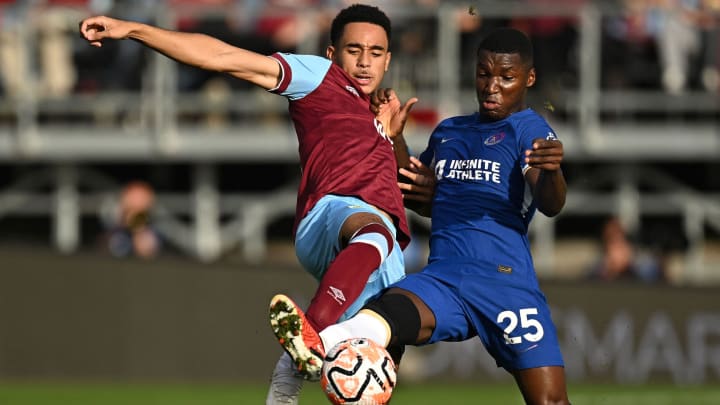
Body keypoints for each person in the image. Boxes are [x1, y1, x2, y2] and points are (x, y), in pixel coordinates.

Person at [79, 4, 418, 405]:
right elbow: (222, 57)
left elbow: (399, 185)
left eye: (375, 52)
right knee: (374, 233)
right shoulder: (318, 77)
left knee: (368, 391)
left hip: (378, 259)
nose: (364, 62)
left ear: (388, 58)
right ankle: (303, 345)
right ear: (332, 54)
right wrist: (133, 29)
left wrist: (393, 136)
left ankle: (282, 391)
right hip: (335, 217)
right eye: (354, 50)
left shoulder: (379, 111)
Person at [269, 27, 571, 404]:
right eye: (484, 73)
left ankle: (313, 348)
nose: (492, 86)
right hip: (443, 279)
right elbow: (412, 192)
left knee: (550, 402)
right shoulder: (450, 133)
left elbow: (550, 202)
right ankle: (307, 353)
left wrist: (554, 172)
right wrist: (393, 137)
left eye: (507, 77)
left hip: (505, 285)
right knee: (380, 317)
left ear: (529, 78)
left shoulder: (530, 131)